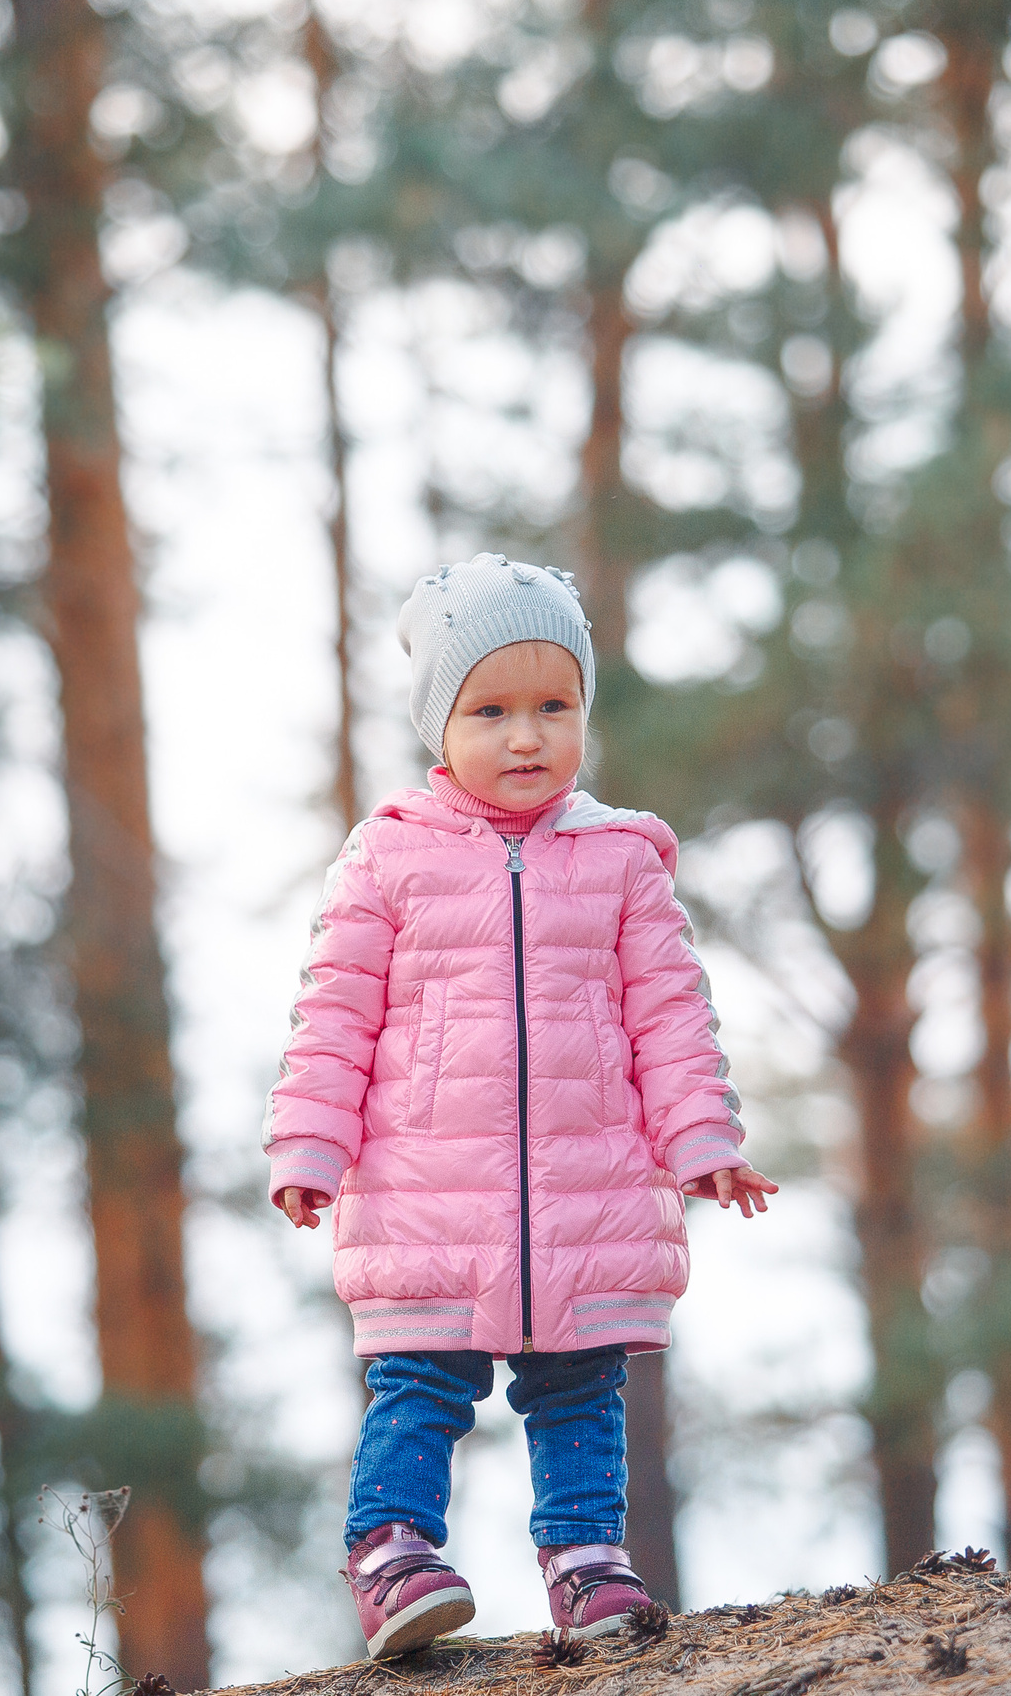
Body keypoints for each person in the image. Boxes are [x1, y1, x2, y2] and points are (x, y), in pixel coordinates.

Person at [264, 553, 779, 1661]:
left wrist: (703, 1144)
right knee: (417, 1384)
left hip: (586, 1191)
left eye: (555, 706)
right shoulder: (388, 858)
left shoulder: (622, 861)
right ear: (436, 724)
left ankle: (587, 1562)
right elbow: (334, 1016)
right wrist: (309, 1146)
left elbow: (672, 1019)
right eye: (490, 710)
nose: (526, 737)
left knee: (582, 1389)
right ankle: (392, 1551)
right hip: (424, 1196)